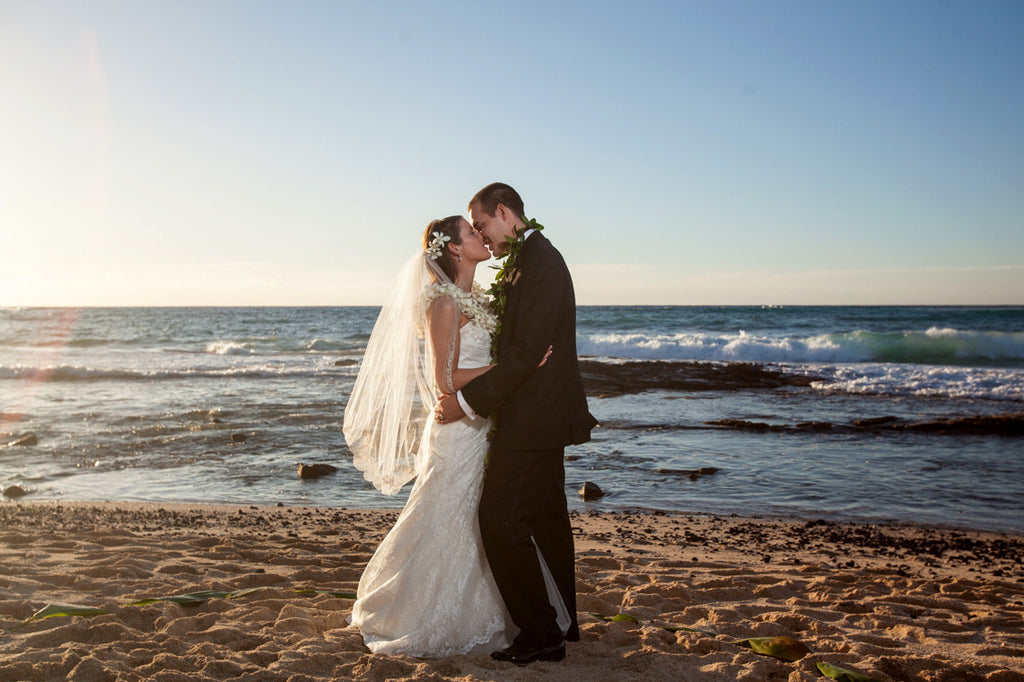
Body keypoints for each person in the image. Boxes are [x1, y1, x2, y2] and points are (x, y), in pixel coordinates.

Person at [343, 215, 547, 657]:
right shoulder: (444, 303)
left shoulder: (475, 299)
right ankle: (412, 612)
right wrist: (518, 366)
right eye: (471, 232)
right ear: (454, 248)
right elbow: (446, 379)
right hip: (458, 432)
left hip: (483, 426)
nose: (480, 235)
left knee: (480, 520)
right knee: (445, 514)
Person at [436, 183, 598, 665]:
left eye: (483, 224)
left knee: (499, 519)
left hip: (534, 417)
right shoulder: (527, 261)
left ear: (504, 212)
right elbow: (520, 351)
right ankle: (560, 625)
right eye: (476, 231)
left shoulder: (541, 262)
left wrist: (464, 402)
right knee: (545, 520)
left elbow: (527, 354)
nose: (484, 236)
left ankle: (541, 631)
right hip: (532, 411)